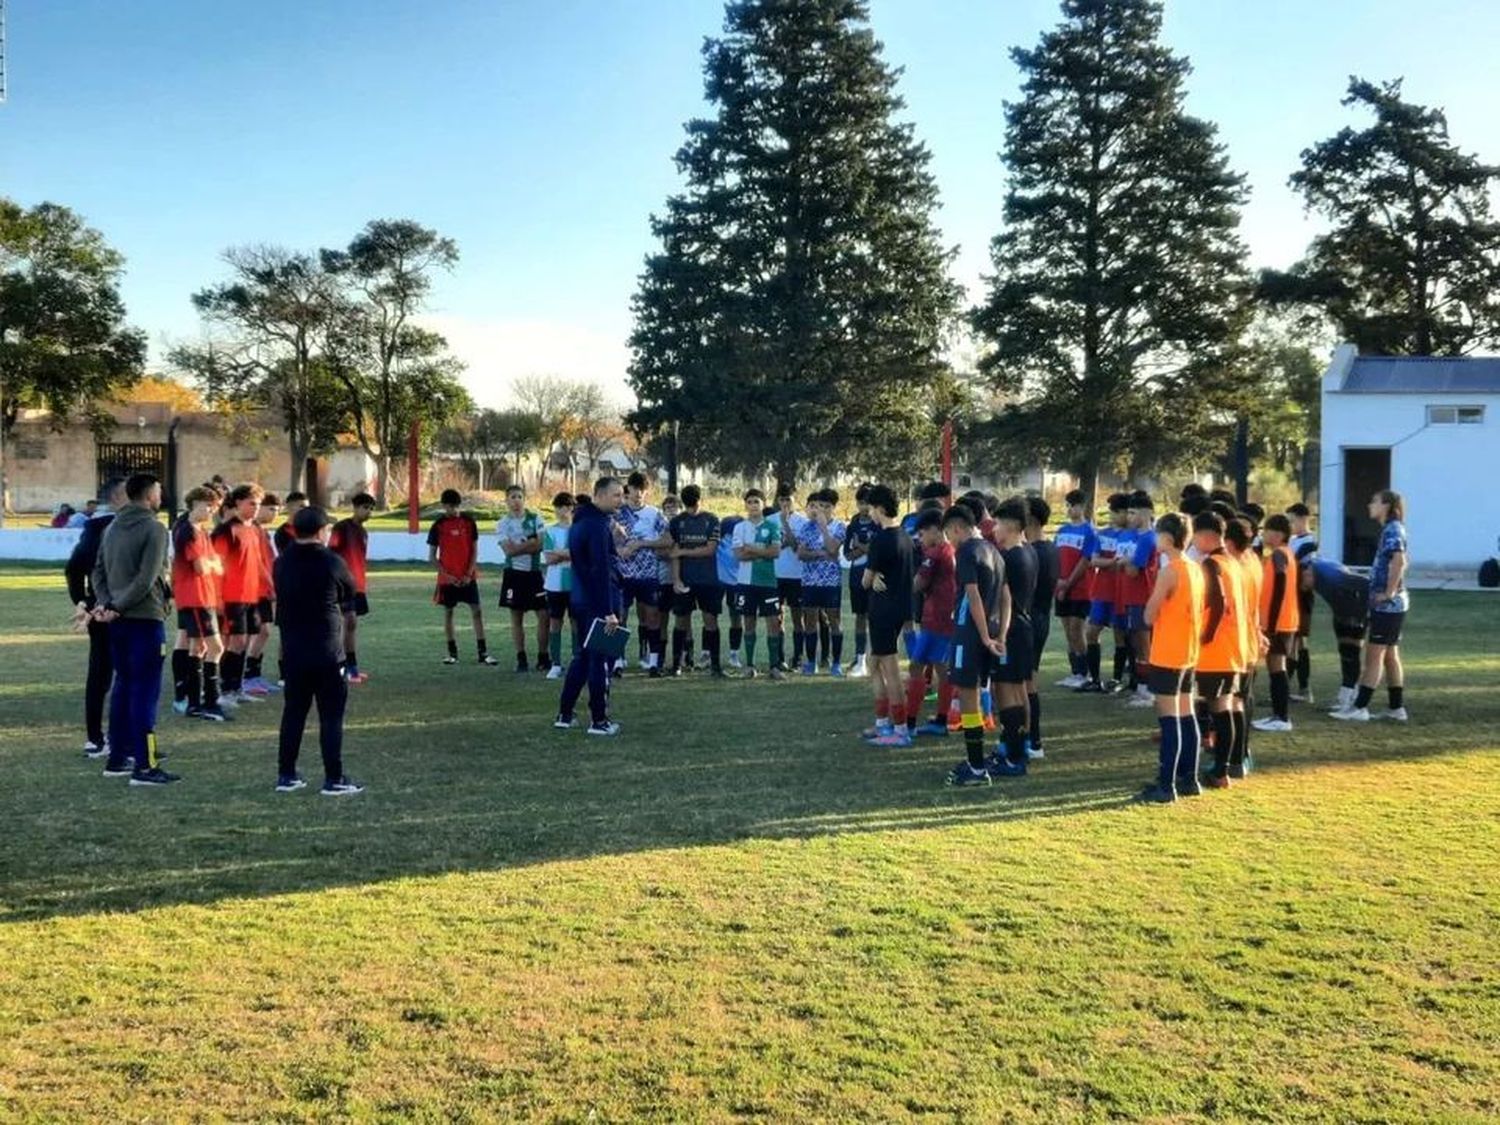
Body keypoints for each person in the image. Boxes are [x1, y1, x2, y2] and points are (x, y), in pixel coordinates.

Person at [91, 473, 179, 786]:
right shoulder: (155, 528)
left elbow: (98, 571)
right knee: (145, 692)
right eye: (158, 490)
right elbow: (146, 577)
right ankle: (145, 765)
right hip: (143, 619)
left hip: (119, 621)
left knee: (124, 687)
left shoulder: (112, 526)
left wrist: (107, 603)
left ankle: (118, 758)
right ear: (148, 495)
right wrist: (116, 606)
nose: (160, 495)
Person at [273, 505, 364, 796]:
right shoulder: (331, 561)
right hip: (326, 650)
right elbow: (349, 592)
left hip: (292, 650)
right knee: (331, 716)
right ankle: (334, 777)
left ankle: (286, 774)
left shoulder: (282, 562)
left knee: (294, 713)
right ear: (322, 531)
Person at [1137, 513, 1204, 803]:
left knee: (1169, 719)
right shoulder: (1195, 567)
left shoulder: (1170, 570)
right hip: (1189, 650)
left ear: (1167, 537)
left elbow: (1149, 614)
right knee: (1187, 715)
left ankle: (1166, 784)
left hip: (1168, 651)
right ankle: (1189, 778)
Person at [555, 477, 626, 735]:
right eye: (616, 495)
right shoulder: (596, 525)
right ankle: (599, 720)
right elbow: (599, 569)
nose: (621, 500)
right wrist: (608, 610)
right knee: (600, 659)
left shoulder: (581, 521)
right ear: (600, 495)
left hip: (582, 599)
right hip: (598, 601)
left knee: (583, 658)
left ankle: (565, 713)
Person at [942, 503, 1006, 786]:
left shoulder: (967, 552)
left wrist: (981, 636)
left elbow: (974, 596)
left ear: (956, 528)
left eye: (948, 535)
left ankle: (977, 768)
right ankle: (976, 760)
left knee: (968, 696)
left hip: (970, 633)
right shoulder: (994, 551)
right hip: (991, 629)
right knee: (976, 694)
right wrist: (1000, 634)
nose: (949, 541)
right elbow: (1006, 596)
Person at [1333, 490, 1410, 723]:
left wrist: (1388, 593)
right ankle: (1396, 708)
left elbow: (1400, 561)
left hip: (1388, 606)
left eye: (1374, 501)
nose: (1369, 505)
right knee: (1390, 656)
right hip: (1394, 605)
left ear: (1386, 505)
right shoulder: (1390, 529)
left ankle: (1359, 707)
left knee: (1374, 656)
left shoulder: (1393, 530)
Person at [65, 477, 125, 758]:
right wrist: (83, 602)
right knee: (101, 674)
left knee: (134, 676)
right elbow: (75, 567)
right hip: (103, 612)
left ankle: (129, 738)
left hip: (136, 613)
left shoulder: (148, 526)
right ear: (115, 499)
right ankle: (95, 737)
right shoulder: (98, 527)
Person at [1192, 512, 1250, 788]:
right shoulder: (1234, 563)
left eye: (1195, 535)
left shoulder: (1212, 564)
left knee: (1217, 707)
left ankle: (1220, 770)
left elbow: (1217, 603)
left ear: (1205, 536)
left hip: (1216, 650)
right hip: (1234, 647)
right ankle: (1226, 766)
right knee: (1225, 706)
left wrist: (1205, 637)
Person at [169, 486, 231, 724]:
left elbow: (213, 561)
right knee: (215, 648)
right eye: (208, 505)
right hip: (195, 597)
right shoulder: (188, 531)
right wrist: (214, 564)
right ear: (194, 503)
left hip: (202, 596)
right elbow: (202, 567)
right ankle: (208, 701)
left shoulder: (200, 530)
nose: (211, 511)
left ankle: (197, 702)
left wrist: (213, 563)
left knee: (199, 648)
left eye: (214, 507)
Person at [862, 484, 918, 744]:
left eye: (872, 508)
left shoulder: (881, 539)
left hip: (883, 610)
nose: (869, 513)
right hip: (899, 608)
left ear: (881, 508)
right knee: (873, 664)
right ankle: (882, 722)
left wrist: (871, 581)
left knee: (890, 669)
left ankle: (900, 729)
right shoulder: (906, 537)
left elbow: (865, 580)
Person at [986, 500, 1036, 777]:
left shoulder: (1011, 558)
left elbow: (1002, 599)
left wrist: (1000, 634)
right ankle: (1014, 747)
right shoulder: (1027, 552)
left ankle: (1015, 758)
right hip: (1023, 630)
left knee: (1007, 693)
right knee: (1017, 690)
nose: (994, 529)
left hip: (1012, 633)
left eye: (997, 524)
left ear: (1012, 526)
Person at [899, 509, 957, 743]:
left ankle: (910, 723)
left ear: (935, 530)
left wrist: (903, 587)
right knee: (942, 670)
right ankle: (941, 720)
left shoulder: (935, 553)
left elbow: (918, 583)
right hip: (946, 617)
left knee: (916, 667)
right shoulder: (951, 550)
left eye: (922, 534)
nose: (920, 539)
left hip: (936, 619)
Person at [211, 483, 269, 705]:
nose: (255, 508)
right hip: (231, 597)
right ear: (237, 503)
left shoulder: (254, 529)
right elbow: (215, 566)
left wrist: (270, 584)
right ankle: (224, 689)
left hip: (251, 596)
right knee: (233, 642)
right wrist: (217, 598)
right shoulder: (227, 531)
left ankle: (236, 688)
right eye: (251, 503)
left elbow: (258, 563)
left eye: (258, 504)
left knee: (243, 642)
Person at [427, 488, 498, 666]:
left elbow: (474, 550)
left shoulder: (468, 522)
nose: (452, 510)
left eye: (454, 506)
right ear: (443, 506)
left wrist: (468, 573)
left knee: (477, 611)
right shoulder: (438, 526)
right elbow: (431, 557)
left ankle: (483, 653)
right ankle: (452, 653)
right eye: (448, 507)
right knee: (449, 613)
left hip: (468, 577)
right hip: (447, 580)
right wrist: (447, 576)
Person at [615, 471, 671, 676]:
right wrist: (619, 549)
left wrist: (643, 543)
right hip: (623, 574)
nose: (638, 493)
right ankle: (617, 661)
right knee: (619, 616)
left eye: (643, 490)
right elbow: (607, 539)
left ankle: (654, 662)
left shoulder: (655, 514)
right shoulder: (617, 512)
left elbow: (667, 541)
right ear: (627, 489)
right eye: (635, 489)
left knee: (652, 617)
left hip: (648, 575)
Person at [1301, 553, 1370, 715]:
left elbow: (1365, 584)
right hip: (1342, 611)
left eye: (1303, 579)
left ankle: (1350, 697)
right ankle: (1345, 695)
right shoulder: (1316, 568)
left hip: (1354, 611)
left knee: (1350, 653)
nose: (1302, 585)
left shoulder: (1332, 577)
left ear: (1309, 573)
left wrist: (1361, 615)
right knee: (1345, 652)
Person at [668, 484, 724, 678]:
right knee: (681, 622)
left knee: (710, 621)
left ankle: (715, 666)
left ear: (701, 500)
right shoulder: (676, 522)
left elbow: (710, 549)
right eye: (689, 505)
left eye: (695, 503)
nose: (692, 508)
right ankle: (676, 664)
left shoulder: (712, 520)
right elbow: (673, 554)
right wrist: (675, 580)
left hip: (708, 580)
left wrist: (684, 551)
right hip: (685, 580)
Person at [730, 489, 787, 680]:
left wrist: (751, 548)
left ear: (763, 504)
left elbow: (776, 552)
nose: (753, 505)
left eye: (757, 501)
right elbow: (739, 555)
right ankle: (750, 666)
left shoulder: (772, 526)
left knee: (773, 623)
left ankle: (774, 666)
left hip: (768, 582)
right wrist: (763, 550)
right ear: (745, 505)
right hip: (745, 582)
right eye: (750, 502)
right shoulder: (739, 527)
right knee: (749, 623)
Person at [1253, 514, 1302, 733]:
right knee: (1275, 667)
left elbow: (1280, 583)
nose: (1264, 534)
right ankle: (1278, 715)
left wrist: (1271, 623)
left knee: (1277, 667)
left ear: (1279, 534)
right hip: (1284, 620)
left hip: (1279, 622)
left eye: (1268, 530)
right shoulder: (1283, 554)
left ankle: (1281, 717)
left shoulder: (1280, 555)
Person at [1078, 494, 1129, 693]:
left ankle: (1116, 679)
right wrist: (1112, 563)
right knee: (1091, 632)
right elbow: (1094, 560)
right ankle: (1094, 679)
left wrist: (1107, 563)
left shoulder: (1129, 535)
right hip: (1102, 591)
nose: (1113, 516)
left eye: (1117, 512)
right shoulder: (1103, 534)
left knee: (1120, 635)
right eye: (1112, 512)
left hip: (1121, 592)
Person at [1224, 518, 1262, 776]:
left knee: (1235, 701)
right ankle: (1242, 754)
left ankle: (1235, 760)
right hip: (1250, 638)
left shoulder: (1235, 567)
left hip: (1237, 640)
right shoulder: (1253, 561)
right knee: (1244, 698)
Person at [498, 484, 549, 673]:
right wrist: (529, 543)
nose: (516, 501)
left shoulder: (536, 519)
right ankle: (521, 658)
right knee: (516, 617)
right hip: (513, 575)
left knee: (544, 615)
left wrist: (520, 546)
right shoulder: (503, 523)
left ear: (524, 499)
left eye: (519, 496)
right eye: (512, 497)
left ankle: (543, 657)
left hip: (534, 574)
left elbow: (541, 545)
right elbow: (508, 551)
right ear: (507, 500)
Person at [796, 489, 846, 676]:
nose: (822, 510)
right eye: (819, 506)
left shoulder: (839, 527)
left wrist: (824, 528)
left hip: (831, 582)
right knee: (810, 621)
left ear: (833, 508)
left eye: (827, 506)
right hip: (809, 581)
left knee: (834, 621)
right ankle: (811, 662)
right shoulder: (806, 527)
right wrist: (819, 554)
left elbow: (833, 549)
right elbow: (801, 554)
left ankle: (836, 663)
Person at [328, 492, 375, 683]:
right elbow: (331, 552)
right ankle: (341, 666)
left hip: (358, 585)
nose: (368, 512)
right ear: (355, 507)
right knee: (346, 621)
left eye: (371, 509)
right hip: (342, 584)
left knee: (352, 624)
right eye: (365, 508)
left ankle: (351, 666)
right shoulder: (342, 528)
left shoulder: (363, 532)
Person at [1052, 489, 1097, 689]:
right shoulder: (1061, 531)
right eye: (1068, 505)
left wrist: (1068, 582)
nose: (1070, 509)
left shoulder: (1089, 531)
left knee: (1076, 629)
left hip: (1080, 588)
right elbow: (1055, 558)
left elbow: (1086, 561)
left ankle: (1084, 672)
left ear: (1083, 507)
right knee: (1067, 631)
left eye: (1074, 505)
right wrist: (1058, 583)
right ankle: (1074, 672)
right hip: (1061, 587)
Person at [1025, 496, 1058, 759]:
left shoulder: (1035, 552)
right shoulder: (1050, 547)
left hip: (1031, 621)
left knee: (1025, 685)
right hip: (1040, 619)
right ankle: (1029, 738)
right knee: (1026, 682)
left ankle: (1033, 740)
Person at [243, 492, 283, 696]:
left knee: (262, 631)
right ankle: (248, 676)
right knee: (259, 631)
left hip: (264, 589)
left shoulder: (262, 532)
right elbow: (257, 563)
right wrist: (270, 584)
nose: (276, 514)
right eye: (272, 509)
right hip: (256, 589)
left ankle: (253, 675)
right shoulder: (252, 531)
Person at [1120, 492, 1157, 708]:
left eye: (1133, 512)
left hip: (1143, 597)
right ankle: (1142, 687)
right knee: (1136, 642)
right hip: (1133, 597)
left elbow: (1133, 570)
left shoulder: (1147, 538)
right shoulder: (1136, 537)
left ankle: (1148, 691)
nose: (1129, 517)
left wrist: (1124, 561)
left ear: (1145, 514)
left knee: (1144, 645)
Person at [769, 486, 808, 671]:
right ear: (778, 501)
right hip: (776, 576)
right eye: (782, 500)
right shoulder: (769, 520)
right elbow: (769, 547)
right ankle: (779, 658)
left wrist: (785, 525)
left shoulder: (802, 522)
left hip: (796, 576)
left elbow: (796, 547)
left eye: (788, 500)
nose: (785, 504)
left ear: (795, 499)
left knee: (797, 618)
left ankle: (798, 657)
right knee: (777, 618)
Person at [842, 483, 878, 678]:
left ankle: (877, 659)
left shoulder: (878, 523)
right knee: (860, 617)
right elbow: (847, 555)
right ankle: (860, 659)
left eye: (868, 503)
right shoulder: (853, 525)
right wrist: (864, 548)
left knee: (877, 618)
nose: (864, 507)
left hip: (876, 578)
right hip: (856, 577)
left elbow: (879, 550)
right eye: (861, 503)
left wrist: (861, 546)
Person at [542, 492, 576, 681]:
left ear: (571, 508)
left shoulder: (577, 530)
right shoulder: (549, 531)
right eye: (558, 507)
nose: (561, 511)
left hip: (575, 584)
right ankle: (555, 663)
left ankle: (576, 659)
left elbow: (580, 554)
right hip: (554, 585)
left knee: (576, 622)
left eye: (565, 507)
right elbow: (549, 558)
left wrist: (560, 553)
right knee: (555, 622)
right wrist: (568, 554)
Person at [1286, 503, 1317, 702]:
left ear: (1303, 518)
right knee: (1293, 642)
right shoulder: (1292, 540)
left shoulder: (1310, 542)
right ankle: (1292, 686)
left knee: (1299, 642)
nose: (1290, 525)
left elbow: (1302, 568)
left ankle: (1304, 688)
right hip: (1291, 597)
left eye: (1292, 520)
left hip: (1302, 597)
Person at [716, 511, 745, 670]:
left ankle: (734, 654)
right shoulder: (718, 543)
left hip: (737, 584)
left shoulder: (743, 543)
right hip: (718, 582)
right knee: (711, 618)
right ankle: (707, 653)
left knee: (736, 619)